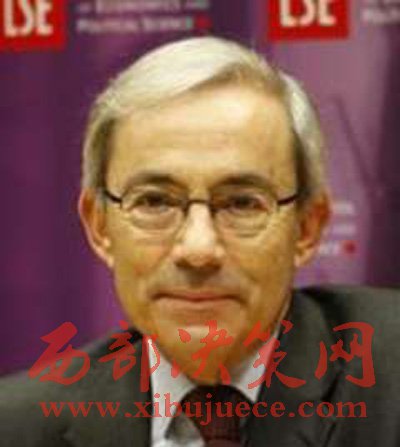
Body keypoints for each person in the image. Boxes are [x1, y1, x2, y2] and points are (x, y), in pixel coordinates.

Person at [1, 36, 399, 447]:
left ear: (307, 228)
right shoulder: (16, 428)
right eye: (154, 201)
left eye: (242, 203)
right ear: (100, 226)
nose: (198, 250)